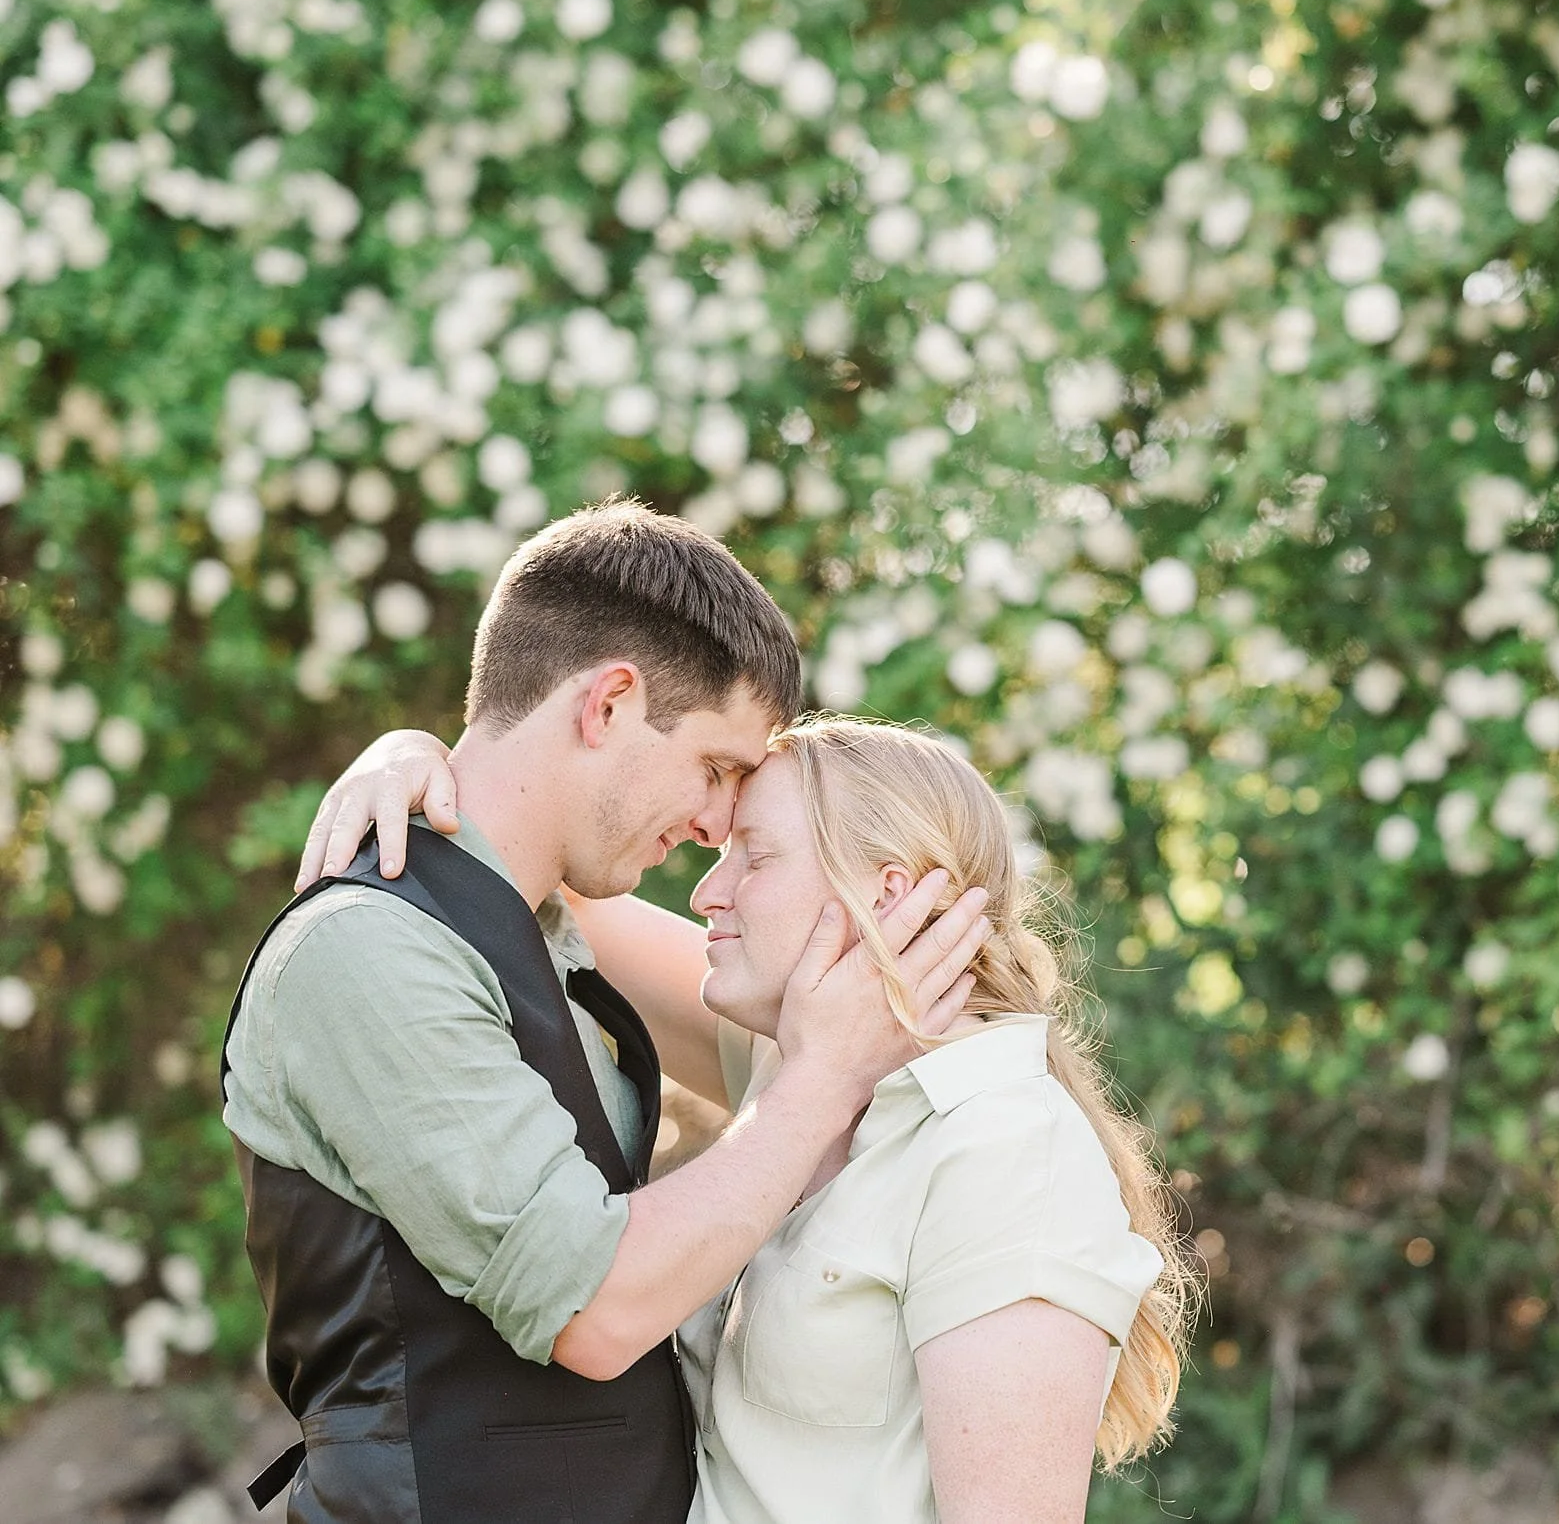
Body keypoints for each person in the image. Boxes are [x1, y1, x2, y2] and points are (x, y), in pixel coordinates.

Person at [227, 499, 992, 1524]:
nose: (719, 816)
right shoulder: (367, 948)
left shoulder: (551, 924)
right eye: (715, 766)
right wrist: (820, 1078)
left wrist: (408, 752)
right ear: (610, 704)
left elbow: (862, 1024)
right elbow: (591, 1304)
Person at [310, 714, 1196, 1524]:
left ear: (886, 894)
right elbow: (539, 871)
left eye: (754, 857)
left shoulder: (1005, 1150)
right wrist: (409, 755)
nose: (707, 892)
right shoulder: (804, 1065)